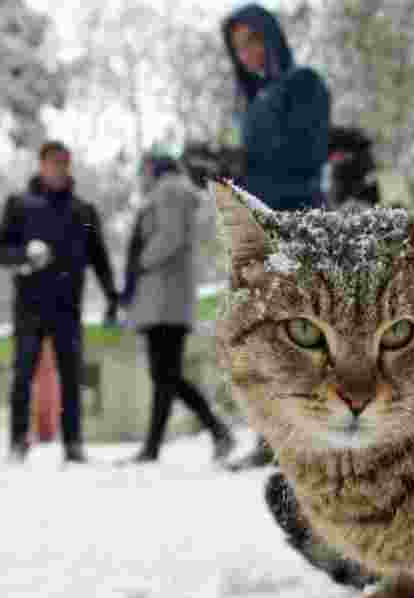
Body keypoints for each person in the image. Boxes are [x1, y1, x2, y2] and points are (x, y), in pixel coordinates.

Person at [222, 2, 332, 470]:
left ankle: (308, 437)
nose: (245, 53)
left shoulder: (303, 85)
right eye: (236, 47)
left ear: (272, 37)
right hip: (255, 231)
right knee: (255, 338)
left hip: (297, 224)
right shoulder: (250, 103)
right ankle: (268, 436)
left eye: (252, 40)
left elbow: (306, 160)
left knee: (298, 336)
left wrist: (246, 169)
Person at [0, 140, 119, 464]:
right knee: (23, 374)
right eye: (53, 163)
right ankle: (19, 441)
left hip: (67, 307)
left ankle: (73, 443)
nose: (59, 169)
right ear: (41, 165)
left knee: (71, 376)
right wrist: (24, 256)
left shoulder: (83, 211)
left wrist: (112, 298)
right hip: (29, 307)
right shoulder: (19, 205)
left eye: (64, 163)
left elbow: (100, 258)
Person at [118, 150, 237, 464]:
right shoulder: (172, 191)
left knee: (165, 374)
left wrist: (140, 263)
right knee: (165, 374)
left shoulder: (169, 190)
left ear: (154, 168)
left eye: (143, 169)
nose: (141, 176)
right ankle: (165, 444)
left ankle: (212, 431)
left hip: (164, 297)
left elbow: (170, 236)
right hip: (166, 297)